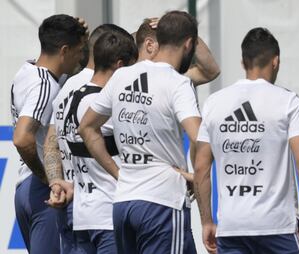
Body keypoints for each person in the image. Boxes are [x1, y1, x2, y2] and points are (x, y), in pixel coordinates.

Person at [78, 10, 201, 254]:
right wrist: (195, 177)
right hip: (162, 203)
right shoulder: (177, 83)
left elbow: (86, 127)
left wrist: (119, 173)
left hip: (124, 202)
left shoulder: (122, 75)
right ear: (188, 44)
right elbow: (200, 137)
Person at [194, 27, 299, 254]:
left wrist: (206, 221)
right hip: (278, 226)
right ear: (276, 61)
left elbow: (201, 166)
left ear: (243, 63)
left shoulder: (214, 103)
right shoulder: (288, 102)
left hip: (232, 227)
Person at [44, 23, 138, 253]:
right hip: (107, 213)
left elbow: (51, 143)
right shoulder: (103, 105)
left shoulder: (70, 94)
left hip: (81, 212)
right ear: (119, 66)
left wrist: (57, 182)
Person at [10, 14, 87, 253]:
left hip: (25, 189)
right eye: (79, 50)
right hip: (43, 191)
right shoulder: (45, 85)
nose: (81, 57)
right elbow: (22, 138)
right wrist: (50, 179)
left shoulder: (28, 70)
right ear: (64, 50)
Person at [135, 17, 220, 86]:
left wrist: (186, 32)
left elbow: (210, 71)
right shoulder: (126, 73)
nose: (172, 49)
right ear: (149, 45)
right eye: (165, 44)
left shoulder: (175, 77)